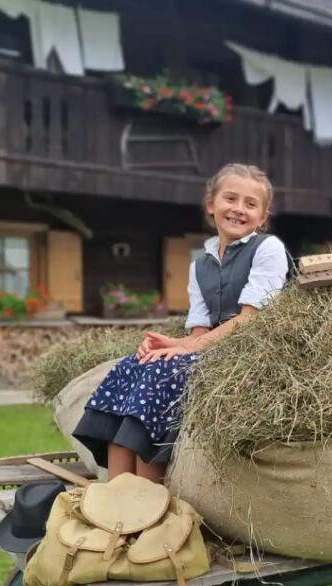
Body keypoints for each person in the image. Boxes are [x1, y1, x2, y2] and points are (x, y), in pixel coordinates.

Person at [72, 164, 288, 482]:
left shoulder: (268, 249)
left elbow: (248, 321)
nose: (239, 209)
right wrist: (169, 346)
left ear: (263, 215)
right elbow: (200, 330)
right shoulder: (199, 264)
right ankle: (117, 494)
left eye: (250, 204)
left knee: (163, 372)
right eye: (231, 199)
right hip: (213, 348)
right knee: (132, 365)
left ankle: (148, 493)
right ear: (211, 204)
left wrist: (185, 349)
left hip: (250, 351)